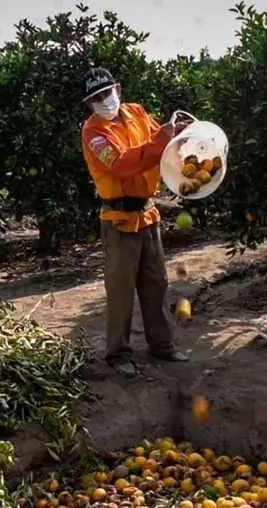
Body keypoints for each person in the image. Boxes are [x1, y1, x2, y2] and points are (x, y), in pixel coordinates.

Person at [80, 67, 191, 378]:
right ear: (89, 104)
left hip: (147, 213)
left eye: (107, 93)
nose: (104, 101)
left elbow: (162, 145)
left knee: (157, 283)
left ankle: (162, 345)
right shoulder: (93, 133)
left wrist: (179, 137)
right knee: (121, 291)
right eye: (96, 98)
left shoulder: (137, 113)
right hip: (118, 219)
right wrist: (160, 141)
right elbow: (121, 164)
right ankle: (118, 353)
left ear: (118, 89)